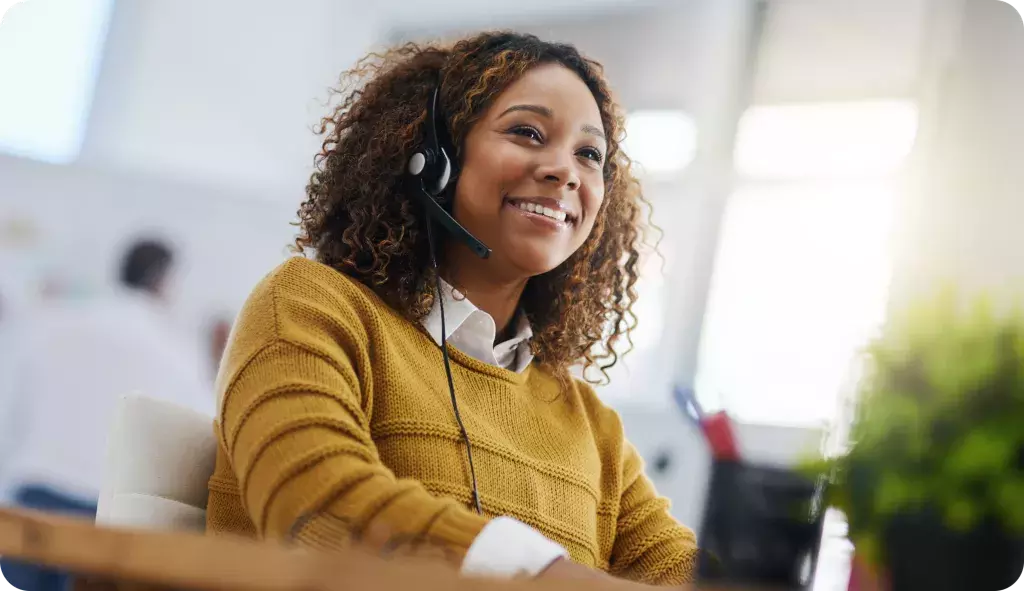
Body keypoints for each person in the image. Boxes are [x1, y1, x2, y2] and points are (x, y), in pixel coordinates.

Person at [206, 32, 699, 587]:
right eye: (527, 132)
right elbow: (313, 503)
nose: (565, 170)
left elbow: (679, 573)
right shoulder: (312, 305)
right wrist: (543, 576)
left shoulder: (588, 421)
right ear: (431, 159)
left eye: (589, 154)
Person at [0, 239, 215, 591]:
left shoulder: (56, 322)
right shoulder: (176, 351)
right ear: (163, 280)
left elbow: (10, 407)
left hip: (31, 502)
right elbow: (191, 451)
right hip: (103, 518)